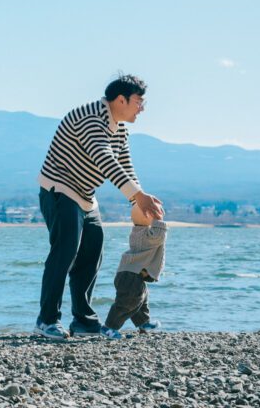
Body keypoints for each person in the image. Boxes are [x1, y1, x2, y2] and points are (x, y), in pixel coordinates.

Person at [34, 74, 164, 340]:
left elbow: (125, 165)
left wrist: (139, 202)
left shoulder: (118, 127)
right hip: (59, 189)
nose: (142, 108)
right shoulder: (91, 118)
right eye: (139, 101)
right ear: (120, 99)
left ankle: (83, 321)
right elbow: (104, 159)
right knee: (64, 252)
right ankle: (46, 321)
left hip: (85, 195)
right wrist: (138, 196)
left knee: (92, 253)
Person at [100, 205, 166, 339]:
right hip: (130, 275)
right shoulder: (146, 236)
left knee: (140, 300)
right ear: (148, 217)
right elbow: (159, 236)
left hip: (131, 274)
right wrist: (158, 219)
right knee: (127, 303)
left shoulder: (138, 232)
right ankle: (109, 327)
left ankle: (144, 323)